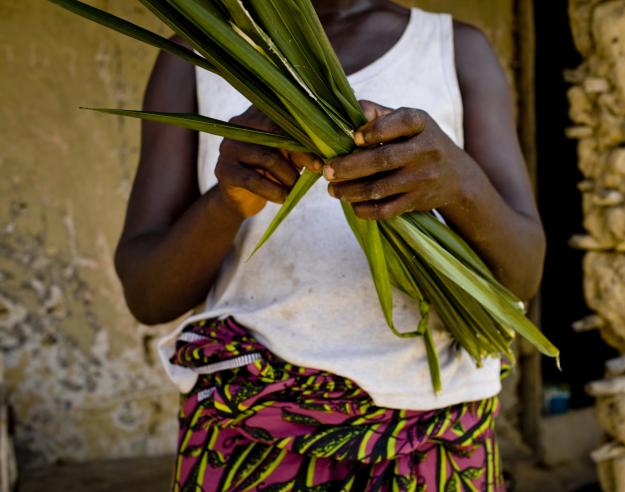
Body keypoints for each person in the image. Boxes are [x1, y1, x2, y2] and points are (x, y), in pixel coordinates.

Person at [115, 0, 545, 490]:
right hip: (248, 420)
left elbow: (524, 273)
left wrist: (459, 182)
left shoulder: (456, 50)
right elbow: (148, 294)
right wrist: (228, 200)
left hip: (433, 423)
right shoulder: (197, 52)